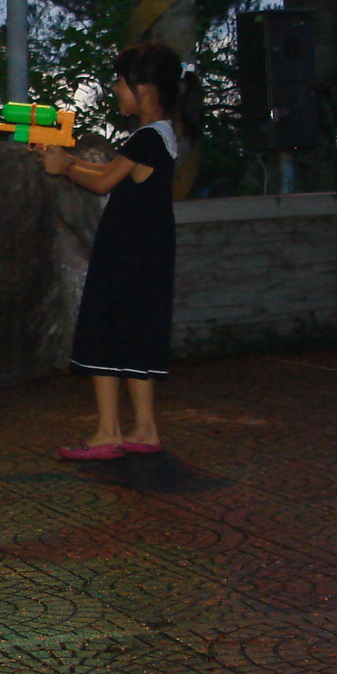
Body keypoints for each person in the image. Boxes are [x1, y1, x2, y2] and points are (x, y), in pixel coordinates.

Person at [36, 39, 197, 460]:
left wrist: (65, 168)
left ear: (143, 89)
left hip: (127, 251)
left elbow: (104, 181)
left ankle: (108, 433)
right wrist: (67, 160)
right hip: (145, 252)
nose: (115, 90)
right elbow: (112, 171)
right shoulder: (157, 136)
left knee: (105, 333)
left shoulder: (147, 138)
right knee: (136, 336)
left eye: (120, 83)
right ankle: (144, 429)